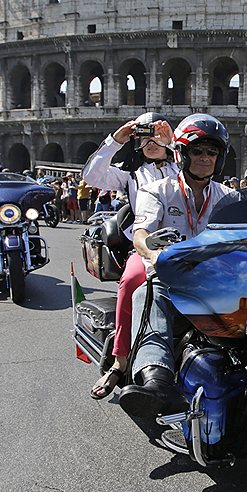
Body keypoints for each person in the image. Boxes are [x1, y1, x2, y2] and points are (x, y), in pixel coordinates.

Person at [116, 113, 234, 417]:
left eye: (212, 152)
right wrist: (152, 254)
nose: (205, 158)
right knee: (146, 293)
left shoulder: (229, 197)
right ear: (182, 152)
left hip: (219, 281)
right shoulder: (157, 191)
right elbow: (141, 233)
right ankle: (157, 380)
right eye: (197, 150)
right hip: (173, 278)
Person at [83, 113, 179, 400]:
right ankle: (119, 361)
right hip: (145, 244)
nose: (150, 142)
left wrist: (173, 144)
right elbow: (91, 176)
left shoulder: (183, 167)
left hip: (186, 241)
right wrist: (117, 138)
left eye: (156, 134)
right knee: (133, 279)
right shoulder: (130, 174)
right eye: (143, 136)